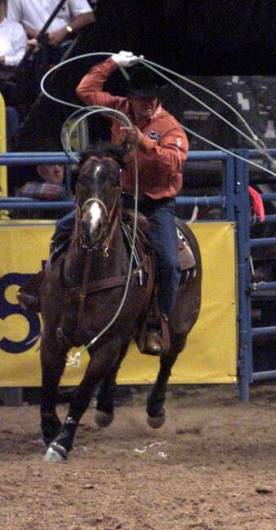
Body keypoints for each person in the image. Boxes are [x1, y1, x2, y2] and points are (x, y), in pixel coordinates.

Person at [18, 51, 188, 355]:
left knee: (168, 262)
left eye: (150, 98)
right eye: (140, 97)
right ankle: (49, 286)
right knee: (65, 228)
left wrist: (145, 143)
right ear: (131, 97)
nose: (146, 103)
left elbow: (174, 163)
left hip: (153, 204)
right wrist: (112, 63)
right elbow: (85, 90)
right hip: (119, 198)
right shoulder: (119, 109)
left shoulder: (170, 127)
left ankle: (156, 322)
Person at [7, 0, 93, 54]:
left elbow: (88, 16)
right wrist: (36, 34)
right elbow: (12, 24)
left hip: (68, 43)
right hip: (36, 47)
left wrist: (65, 30)